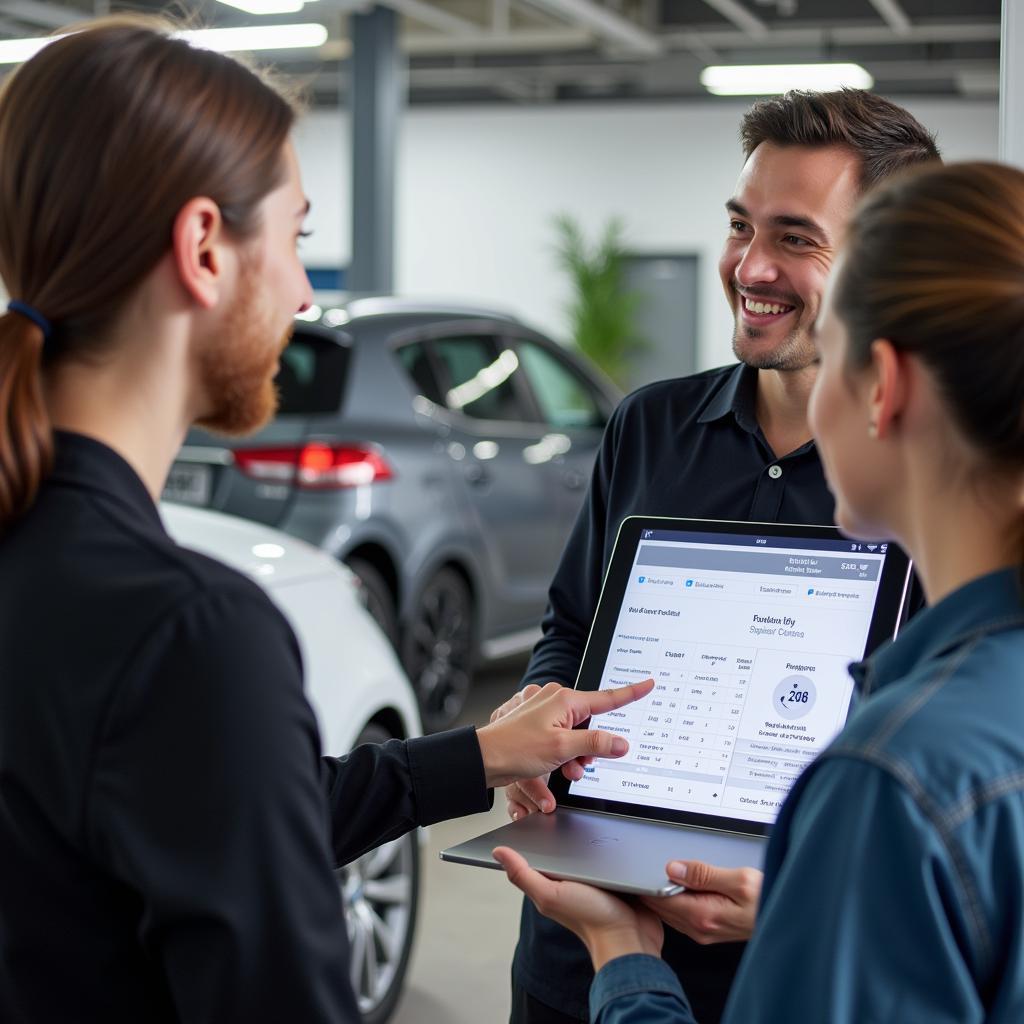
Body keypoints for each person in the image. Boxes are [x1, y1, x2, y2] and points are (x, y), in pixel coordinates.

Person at [0, 19, 656, 1024]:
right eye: (298, 238)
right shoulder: (190, 632)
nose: (306, 293)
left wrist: (474, 757)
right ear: (206, 248)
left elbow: (202, 808)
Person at [498, 157, 1024, 1023]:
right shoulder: (648, 424)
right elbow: (573, 625)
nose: (750, 267)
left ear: (883, 385)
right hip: (582, 924)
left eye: (797, 238)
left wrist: (630, 956)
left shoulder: (892, 777)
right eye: (741, 225)